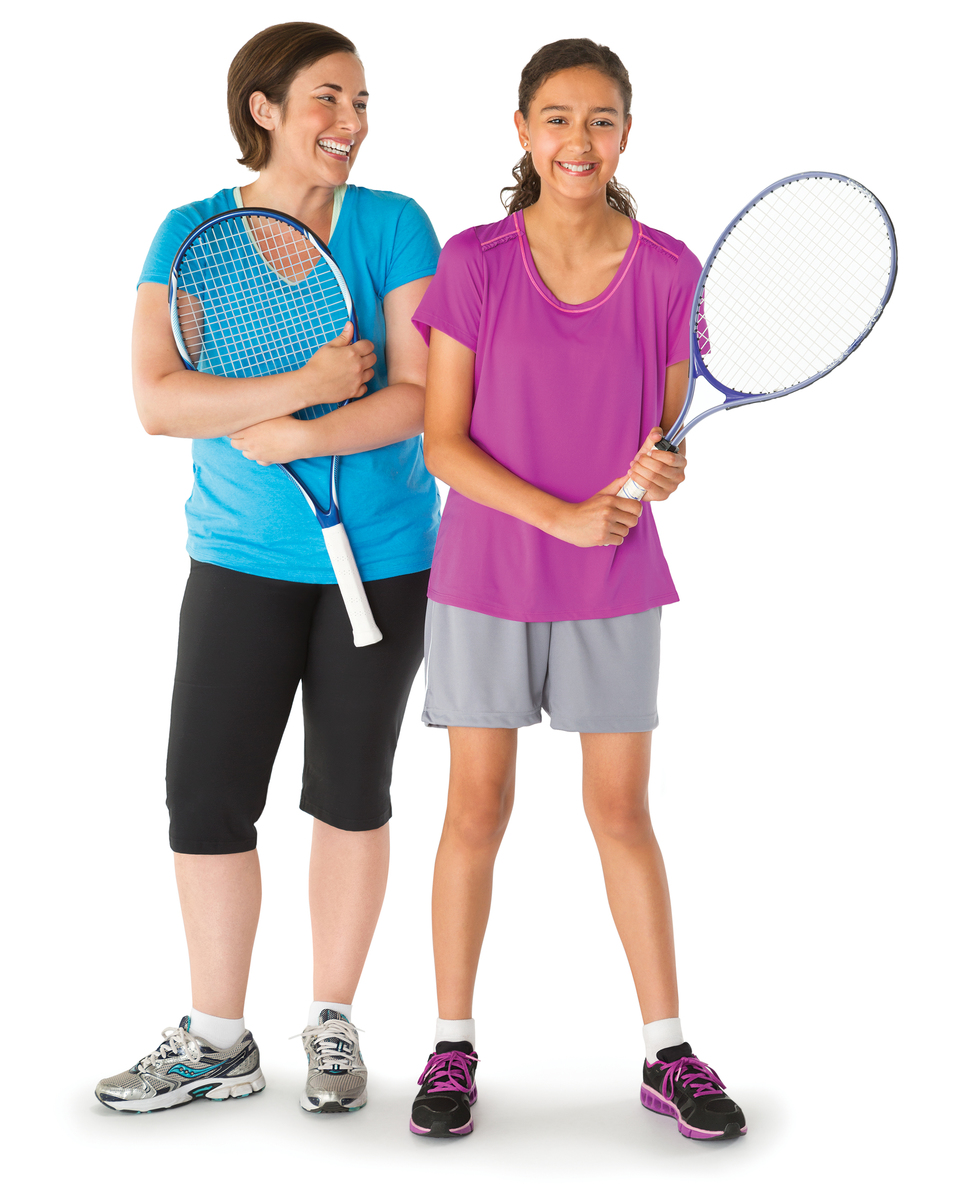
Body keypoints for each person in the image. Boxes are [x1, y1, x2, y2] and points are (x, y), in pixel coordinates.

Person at [95, 22, 440, 1115]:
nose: (351, 124)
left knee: (350, 793)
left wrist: (297, 429)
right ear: (266, 110)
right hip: (239, 559)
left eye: (362, 102)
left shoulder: (392, 225)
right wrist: (302, 385)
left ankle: (331, 1025)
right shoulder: (190, 233)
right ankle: (216, 1040)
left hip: (381, 559)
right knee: (205, 799)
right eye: (328, 100)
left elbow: (421, 399)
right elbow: (160, 399)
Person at [408, 38, 747, 1141]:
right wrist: (556, 512)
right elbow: (442, 446)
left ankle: (667, 1052)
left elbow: (668, 437)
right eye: (557, 119)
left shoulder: (668, 270)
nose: (578, 142)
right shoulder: (473, 262)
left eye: (600, 120)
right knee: (476, 810)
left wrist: (663, 469)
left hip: (613, 581)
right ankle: (452, 1046)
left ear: (626, 135)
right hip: (487, 575)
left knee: (620, 813)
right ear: (522, 132)